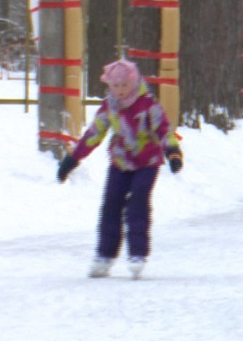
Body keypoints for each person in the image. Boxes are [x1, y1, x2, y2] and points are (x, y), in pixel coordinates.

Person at [56, 59, 183, 279]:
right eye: (115, 86)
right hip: (121, 162)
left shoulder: (148, 105)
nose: (120, 91)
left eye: (124, 85)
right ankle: (104, 255)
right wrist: (72, 160)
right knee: (111, 204)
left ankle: (137, 254)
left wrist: (172, 152)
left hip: (147, 162)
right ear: (109, 86)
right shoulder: (110, 106)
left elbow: (163, 130)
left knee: (137, 203)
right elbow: (93, 134)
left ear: (133, 83)